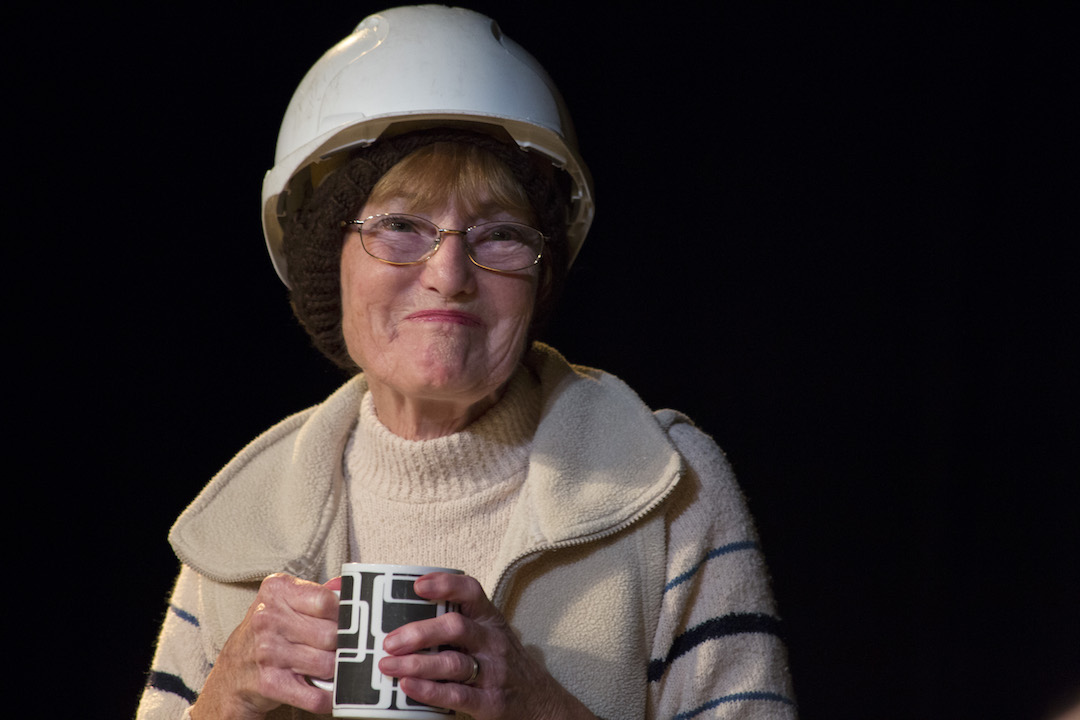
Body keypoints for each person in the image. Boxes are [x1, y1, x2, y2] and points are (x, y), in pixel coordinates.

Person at [137, 6, 796, 719]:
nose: (449, 273)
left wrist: (539, 707)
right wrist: (220, 702)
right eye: (399, 226)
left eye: (502, 234)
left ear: (542, 278)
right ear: (330, 266)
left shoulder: (667, 490)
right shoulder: (241, 524)